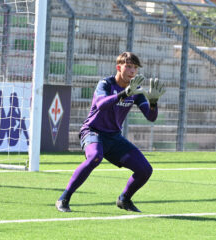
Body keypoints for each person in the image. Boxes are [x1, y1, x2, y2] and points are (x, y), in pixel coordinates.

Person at [56, 52, 165, 213]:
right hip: (93, 132)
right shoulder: (106, 83)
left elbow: (150, 117)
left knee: (145, 170)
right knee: (95, 157)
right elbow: (101, 104)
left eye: (135, 67)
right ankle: (63, 198)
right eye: (128, 66)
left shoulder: (136, 90)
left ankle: (124, 199)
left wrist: (154, 102)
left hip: (114, 137)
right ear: (118, 67)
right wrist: (125, 93)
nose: (132, 71)